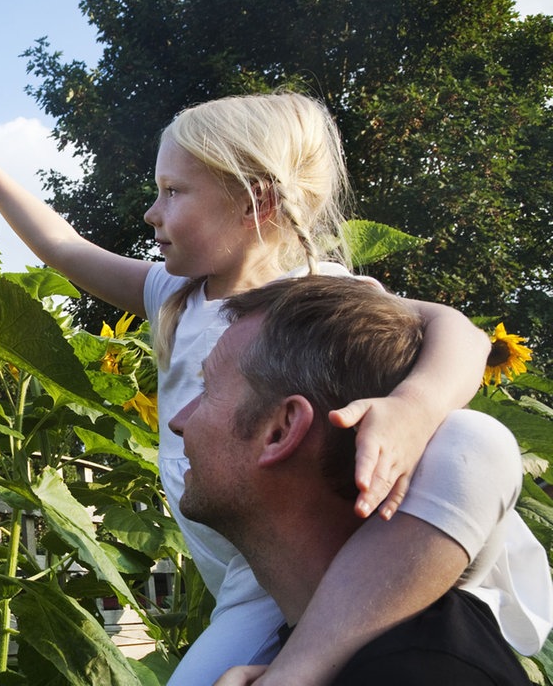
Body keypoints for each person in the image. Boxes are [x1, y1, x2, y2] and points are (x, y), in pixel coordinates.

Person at [0, 91, 551, 684]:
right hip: (248, 575)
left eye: (173, 191)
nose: (153, 211)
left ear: (255, 201)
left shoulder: (316, 296)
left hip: (328, 560)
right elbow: (65, 248)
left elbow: (459, 333)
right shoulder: (175, 294)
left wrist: (414, 407)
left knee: (467, 446)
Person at [173, 275, 534, 685]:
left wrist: (415, 404)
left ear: (281, 429)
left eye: (206, 390)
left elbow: (477, 447)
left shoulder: (420, 673)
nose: (177, 420)